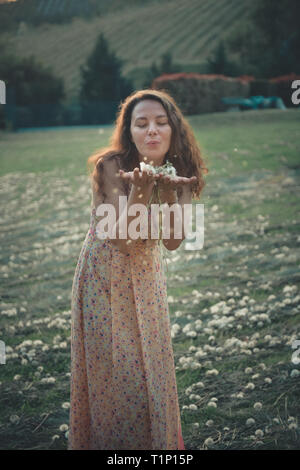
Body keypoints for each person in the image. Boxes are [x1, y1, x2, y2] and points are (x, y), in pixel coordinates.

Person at [68, 89, 208, 450]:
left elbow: (174, 242)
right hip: (104, 278)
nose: (152, 131)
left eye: (161, 123)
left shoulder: (181, 171)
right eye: (141, 124)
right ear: (128, 131)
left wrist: (178, 194)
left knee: (151, 374)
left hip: (146, 282)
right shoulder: (112, 166)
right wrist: (141, 192)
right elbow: (122, 241)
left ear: (173, 129)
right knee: (119, 377)